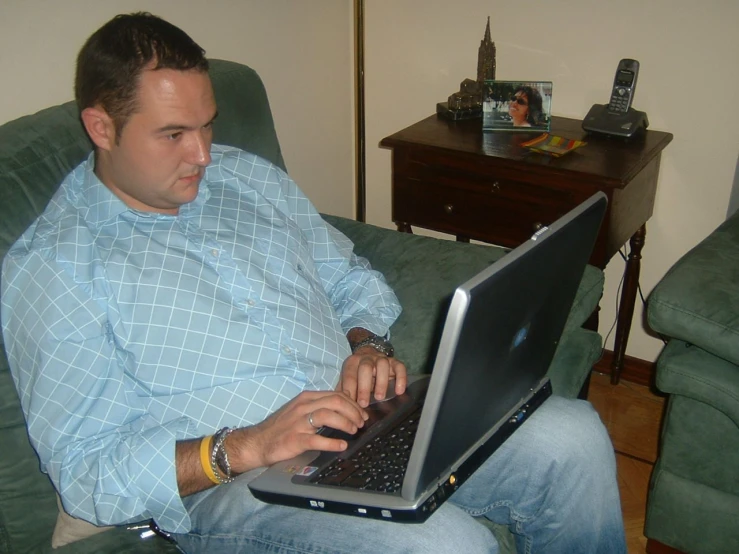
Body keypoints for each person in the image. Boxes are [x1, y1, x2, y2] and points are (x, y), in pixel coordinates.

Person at [1, 12, 626, 554]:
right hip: (234, 489)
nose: (203, 156)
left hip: (364, 421)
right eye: (173, 135)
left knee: (571, 440)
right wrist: (247, 445)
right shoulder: (56, 266)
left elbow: (349, 275)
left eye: (208, 126)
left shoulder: (245, 178)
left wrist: (365, 345)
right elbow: (86, 472)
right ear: (101, 127)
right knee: (450, 544)